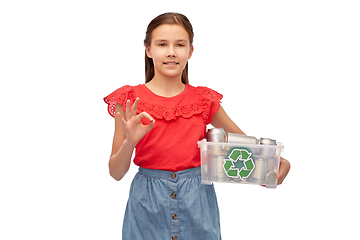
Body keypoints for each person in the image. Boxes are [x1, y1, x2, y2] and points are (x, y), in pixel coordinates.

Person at [104, 12, 290, 240]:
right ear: (148, 50)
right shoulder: (130, 100)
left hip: (197, 205)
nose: (171, 52)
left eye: (179, 44)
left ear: (190, 51)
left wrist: (274, 162)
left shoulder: (204, 100)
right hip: (146, 207)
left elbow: (247, 147)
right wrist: (130, 143)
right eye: (162, 44)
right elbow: (116, 172)